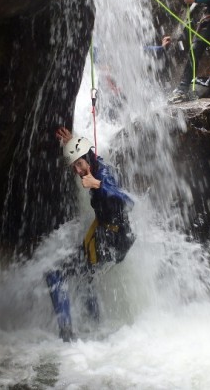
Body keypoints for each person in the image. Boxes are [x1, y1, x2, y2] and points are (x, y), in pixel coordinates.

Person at [45, 126, 135, 341]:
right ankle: (96, 327)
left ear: (87, 159)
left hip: (114, 240)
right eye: (74, 166)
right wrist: (74, 142)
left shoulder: (102, 176)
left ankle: (66, 334)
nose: (78, 171)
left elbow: (127, 201)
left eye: (79, 164)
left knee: (55, 274)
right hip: (113, 238)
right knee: (86, 276)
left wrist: (98, 184)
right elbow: (92, 156)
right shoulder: (94, 163)